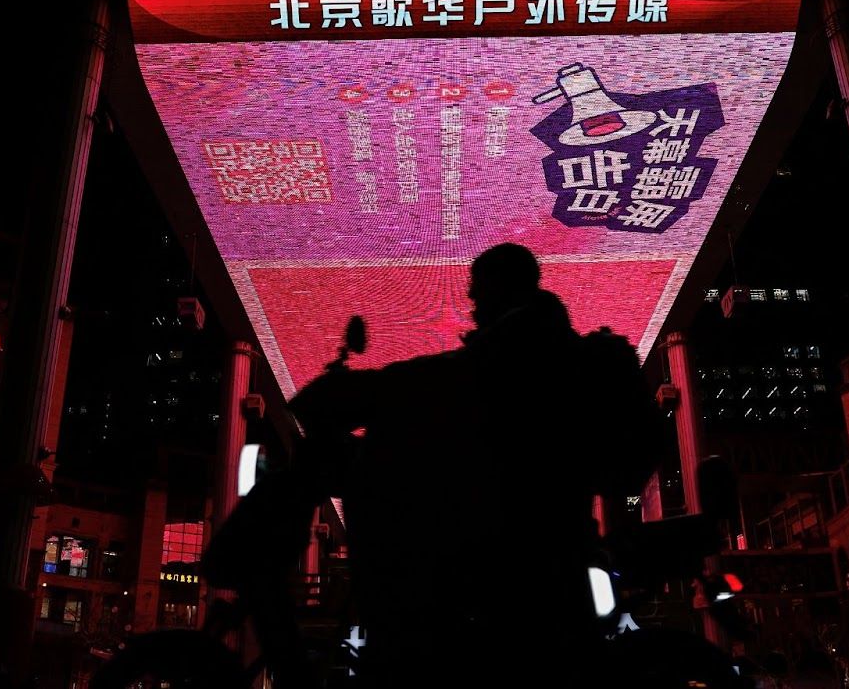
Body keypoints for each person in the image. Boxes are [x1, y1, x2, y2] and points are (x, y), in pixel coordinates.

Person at [282, 243, 662, 687]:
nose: (474, 307)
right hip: (540, 548)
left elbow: (430, 381)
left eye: (478, 294)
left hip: (515, 553)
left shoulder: (520, 351)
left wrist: (349, 394)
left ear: (502, 288)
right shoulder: (542, 344)